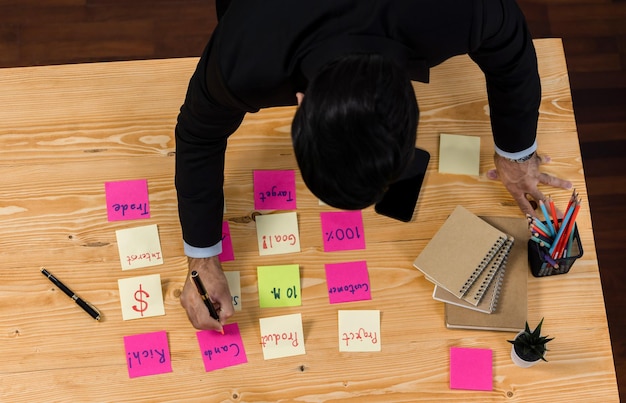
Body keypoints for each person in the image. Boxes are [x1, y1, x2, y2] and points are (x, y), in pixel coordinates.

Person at [176, 0, 572, 331]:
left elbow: (511, 43)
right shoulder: (244, 50)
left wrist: (517, 153)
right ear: (300, 105)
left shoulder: (462, 8)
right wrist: (201, 257)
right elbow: (198, 135)